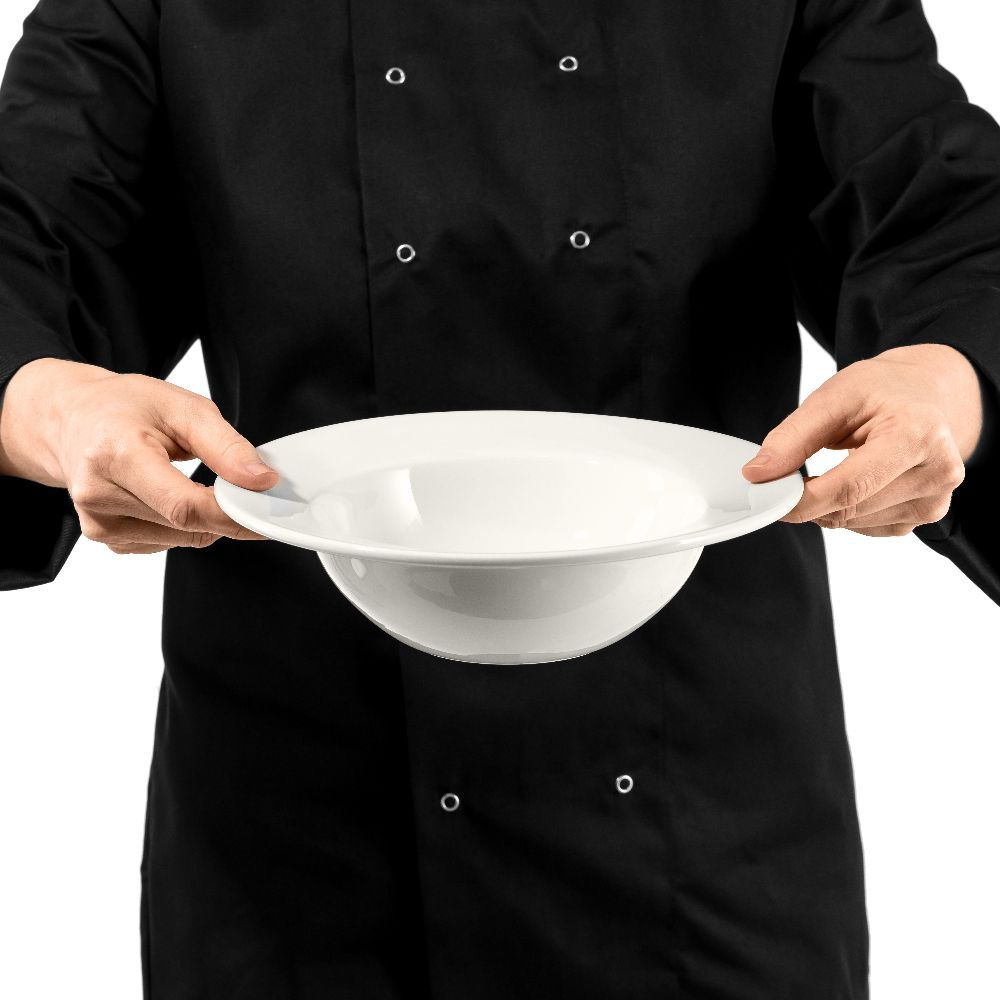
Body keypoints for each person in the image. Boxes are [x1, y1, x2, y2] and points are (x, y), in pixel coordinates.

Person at [1, 0, 998, 996]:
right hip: (297, 825)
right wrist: (45, 403)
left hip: (701, 816)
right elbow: (27, 223)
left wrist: (950, 377)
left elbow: (943, 210)